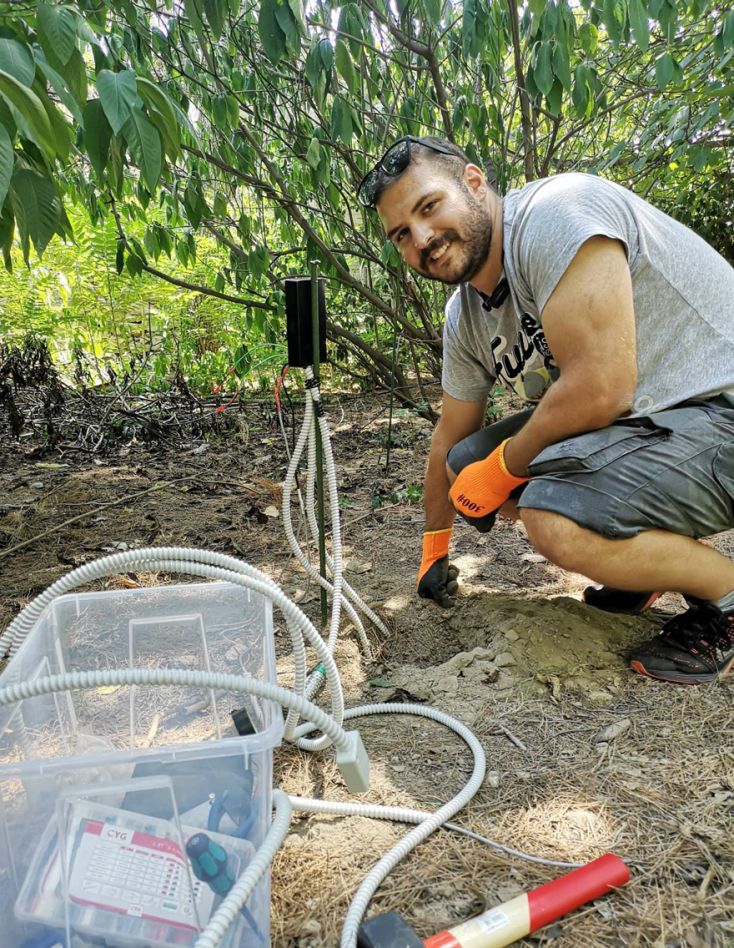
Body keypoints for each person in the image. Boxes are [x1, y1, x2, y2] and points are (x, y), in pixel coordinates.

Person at [356, 134, 734, 685]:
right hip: (653, 423)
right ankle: (641, 562)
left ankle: (726, 596)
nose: (422, 238)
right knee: (464, 463)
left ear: (474, 183)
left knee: (553, 519)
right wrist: (434, 548)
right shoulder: (466, 315)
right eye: (401, 234)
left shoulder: (556, 215)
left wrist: (505, 467)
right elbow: (450, 434)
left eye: (429, 207)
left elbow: (601, 389)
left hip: (718, 408)